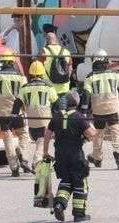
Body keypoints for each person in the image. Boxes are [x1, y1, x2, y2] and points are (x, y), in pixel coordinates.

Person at [43, 90, 96, 222]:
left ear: (66, 102)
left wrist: (45, 151)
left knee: (66, 181)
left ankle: (59, 205)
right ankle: (79, 214)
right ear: (77, 102)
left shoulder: (56, 116)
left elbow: (47, 134)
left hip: (60, 156)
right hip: (75, 155)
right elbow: (91, 133)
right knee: (80, 183)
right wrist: (90, 125)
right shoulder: (79, 117)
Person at [0, 51, 31, 177]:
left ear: (2, 62)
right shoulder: (20, 76)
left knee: (7, 137)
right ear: (12, 62)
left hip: (2, 112)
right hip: (17, 112)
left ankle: (14, 167)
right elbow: (25, 93)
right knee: (23, 133)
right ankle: (23, 155)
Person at [11, 60, 58, 170]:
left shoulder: (25, 88)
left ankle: (23, 155)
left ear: (31, 73)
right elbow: (57, 104)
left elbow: (17, 103)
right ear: (42, 73)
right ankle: (37, 162)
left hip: (31, 121)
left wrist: (14, 117)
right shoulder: (48, 87)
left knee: (34, 139)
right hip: (44, 120)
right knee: (41, 141)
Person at [83, 49, 119, 170]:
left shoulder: (90, 77)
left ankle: (97, 158)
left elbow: (86, 95)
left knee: (98, 134)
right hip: (113, 109)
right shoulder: (115, 74)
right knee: (116, 132)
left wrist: (84, 112)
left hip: (98, 111)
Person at [40, 32, 72, 109]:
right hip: (63, 88)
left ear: (47, 41)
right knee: (61, 114)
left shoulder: (44, 51)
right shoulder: (66, 52)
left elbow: (38, 67)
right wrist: (64, 79)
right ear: (56, 40)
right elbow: (70, 69)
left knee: (48, 115)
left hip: (48, 88)